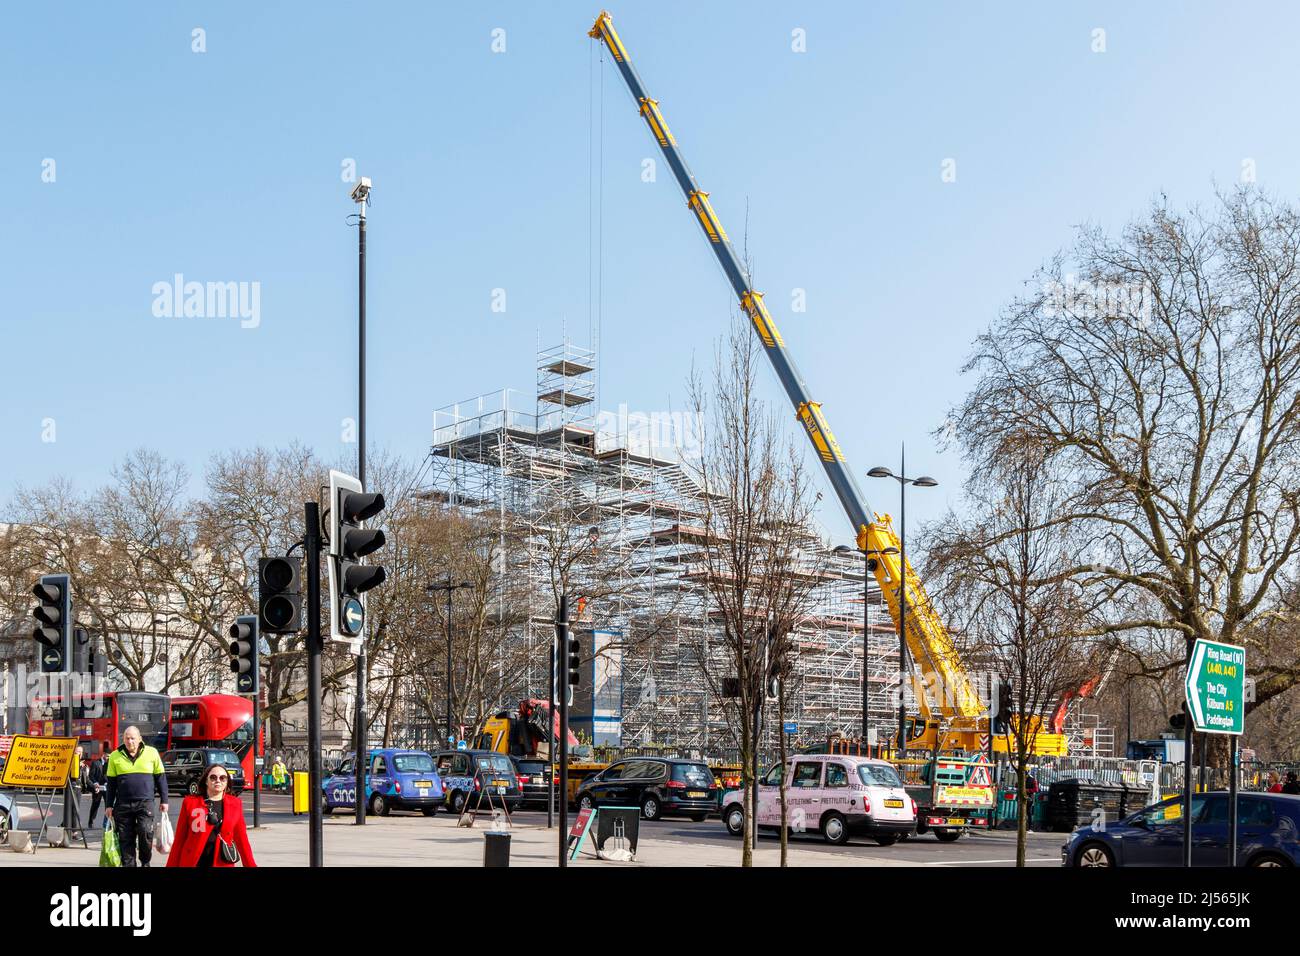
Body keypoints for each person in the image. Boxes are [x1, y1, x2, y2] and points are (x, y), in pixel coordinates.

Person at [166, 761, 256, 868]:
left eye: (223, 778)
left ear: (227, 782)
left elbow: (242, 840)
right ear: (206, 781)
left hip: (222, 862)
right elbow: (179, 840)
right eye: (213, 777)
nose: (218, 781)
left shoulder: (235, 804)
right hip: (193, 861)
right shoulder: (190, 802)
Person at [105, 726, 169, 867]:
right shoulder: (115, 756)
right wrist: (108, 805)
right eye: (127, 738)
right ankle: (129, 865)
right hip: (123, 805)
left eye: (133, 738)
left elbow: (161, 778)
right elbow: (111, 784)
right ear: (123, 739)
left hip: (145, 803)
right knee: (125, 839)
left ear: (140, 739)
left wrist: (165, 800)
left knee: (145, 833)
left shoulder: (152, 753)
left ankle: (145, 862)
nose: (130, 741)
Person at [86, 742, 110, 826]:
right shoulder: (96, 763)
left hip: (106, 788)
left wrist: (108, 783)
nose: (108, 758)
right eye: (107, 756)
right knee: (95, 805)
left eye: (109, 757)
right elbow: (91, 776)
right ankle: (91, 821)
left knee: (108, 806)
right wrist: (95, 783)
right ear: (103, 755)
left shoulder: (110, 764)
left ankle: (108, 823)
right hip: (97, 787)